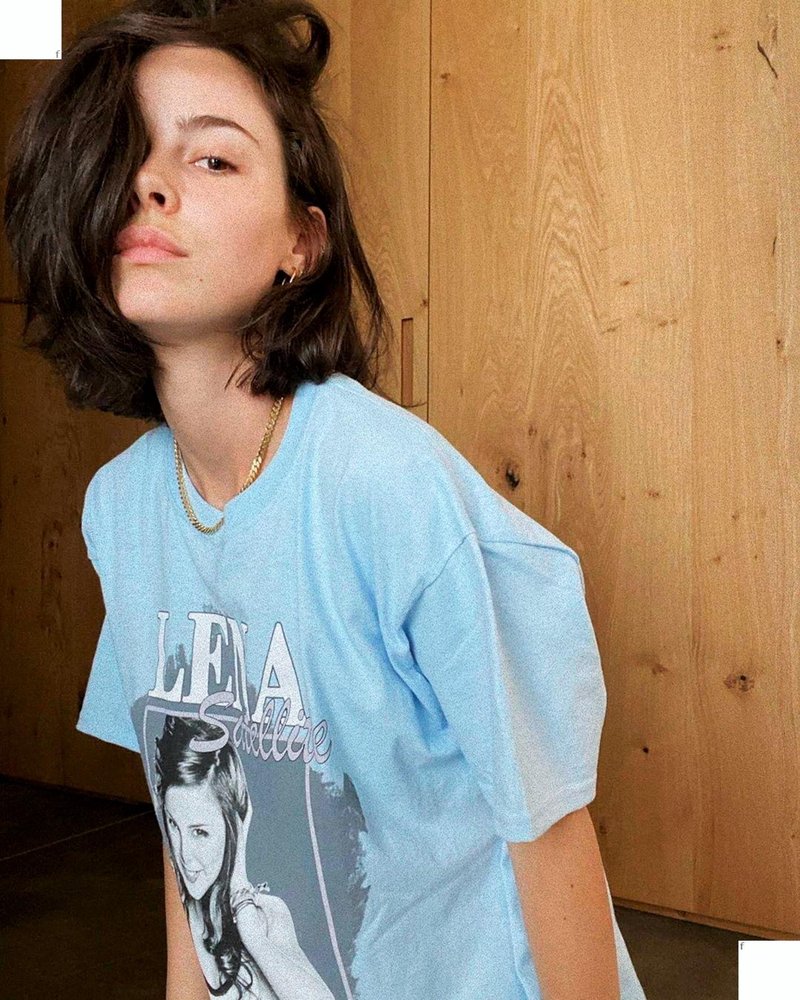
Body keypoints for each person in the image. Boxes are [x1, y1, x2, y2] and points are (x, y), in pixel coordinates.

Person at [2, 1, 648, 997]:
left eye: (212, 158)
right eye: (124, 153)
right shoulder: (119, 510)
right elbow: (184, 822)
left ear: (300, 244)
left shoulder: (388, 485)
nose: (150, 184)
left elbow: (549, 831)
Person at [155, 713, 335, 998]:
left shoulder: (267, 916)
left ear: (233, 828)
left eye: (200, 832)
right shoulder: (187, 904)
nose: (185, 855)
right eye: (173, 825)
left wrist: (252, 935)